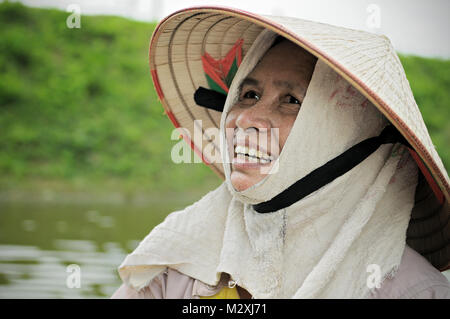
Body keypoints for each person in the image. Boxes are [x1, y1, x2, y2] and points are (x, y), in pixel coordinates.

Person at [112, 6, 450, 299]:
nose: (245, 120)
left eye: (291, 101)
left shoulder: (416, 291)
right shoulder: (176, 259)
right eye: (249, 94)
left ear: (352, 134)